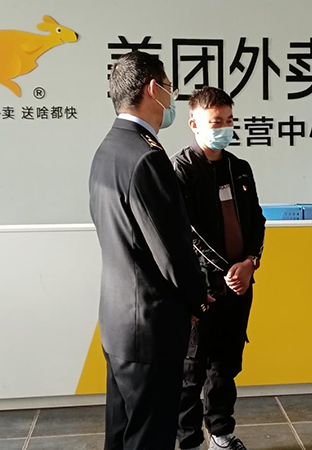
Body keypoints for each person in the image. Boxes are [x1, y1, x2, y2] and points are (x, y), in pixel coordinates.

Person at [89, 51, 211, 450]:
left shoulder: (109, 148)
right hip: (150, 326)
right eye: (170, 88)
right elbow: (171, 251)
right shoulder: (147, 157)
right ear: (154, 89)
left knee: (122, 431)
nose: (172, 98)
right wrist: (198, 300)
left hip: (119, 319)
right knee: (149, 436)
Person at [171, 86, 266, 450]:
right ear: (195, 124)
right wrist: (229, 269)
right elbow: (185, 232)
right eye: (216, 122)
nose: (224, 128)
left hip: (240, 286)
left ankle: (221, 435)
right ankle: (189, 440)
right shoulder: (180, 170)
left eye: (229, 120)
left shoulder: (239, 168)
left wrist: (250, 262)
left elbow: (257, 221)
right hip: (201, 288)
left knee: (225, 365)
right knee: (191, 368)